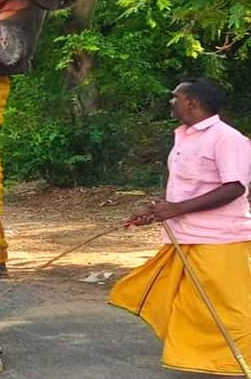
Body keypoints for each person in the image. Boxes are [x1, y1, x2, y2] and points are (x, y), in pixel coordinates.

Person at [109, 78, 251, 376]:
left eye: (176, 97)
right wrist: (156, 211)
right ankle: (206, 360)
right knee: (189, 305)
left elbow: (234, 188)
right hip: (185, 236)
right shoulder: (185, 136)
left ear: (192, 102)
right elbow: (188, 188)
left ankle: (240, 361)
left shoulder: (227, 138)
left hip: (220, 239)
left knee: (230, 307)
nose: (172, 102)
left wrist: (176, 209)